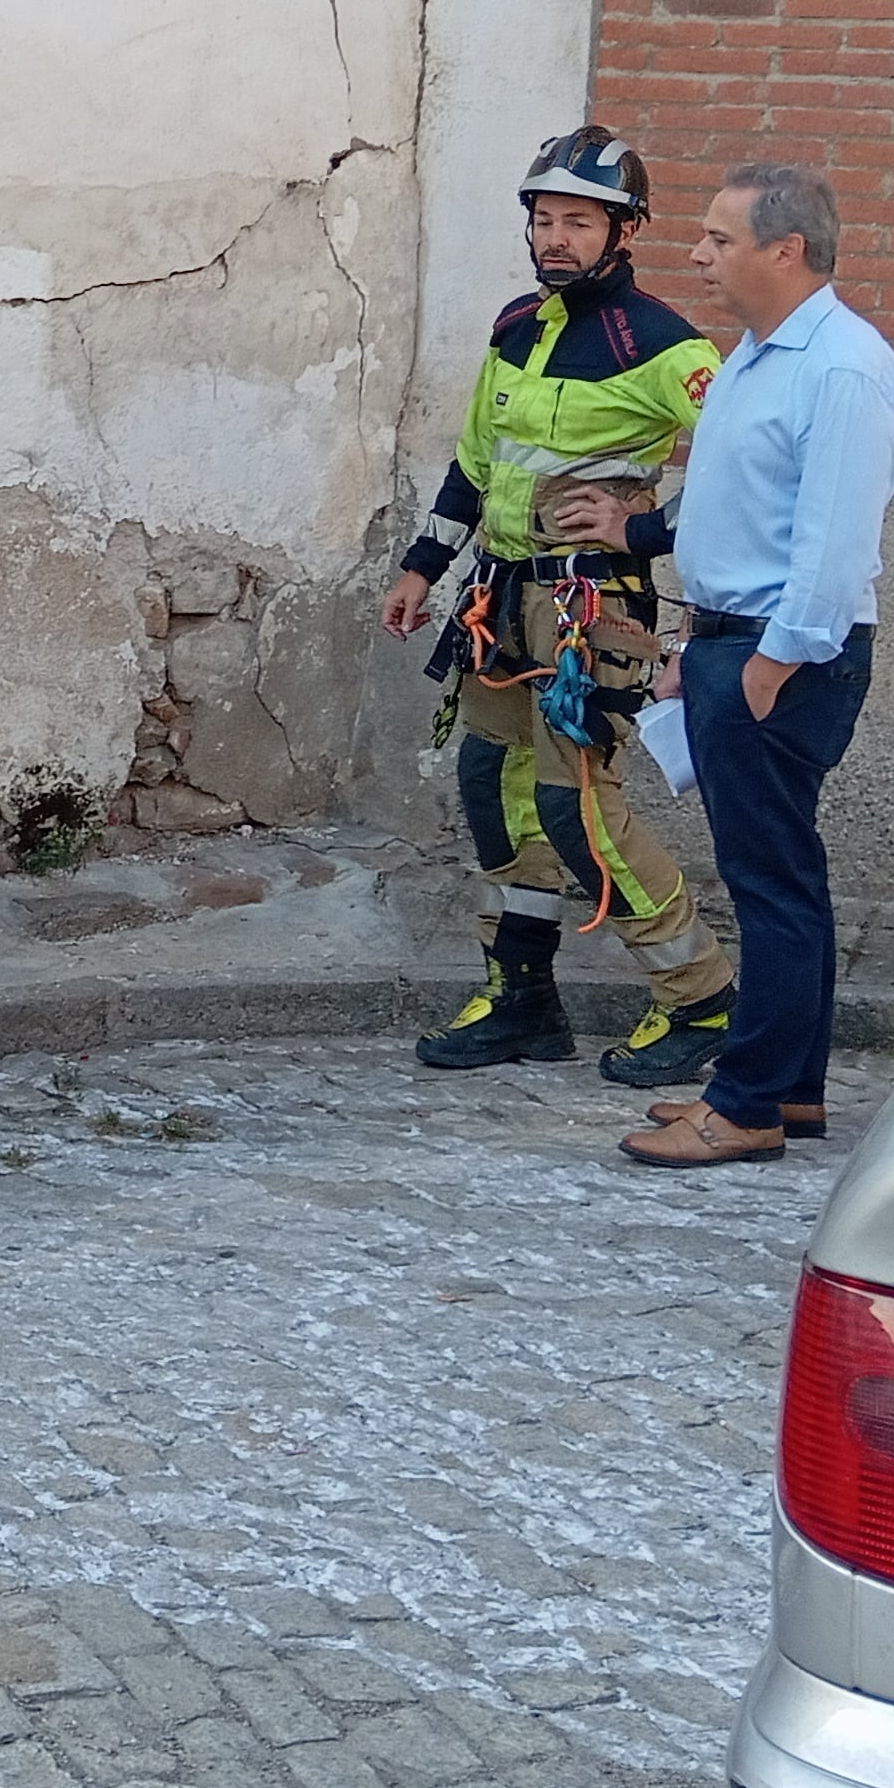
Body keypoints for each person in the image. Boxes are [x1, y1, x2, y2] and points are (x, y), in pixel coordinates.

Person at [381, 127, 734, 1079]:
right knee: (495, 793)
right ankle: (523, 1000)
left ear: (624, 230)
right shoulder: (515, 326)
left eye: (578, 221)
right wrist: (423, 561)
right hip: (497, 598)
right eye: (544, 219)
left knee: (576, 806)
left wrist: (645, 533)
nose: (555, 239)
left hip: (592, 613)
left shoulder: (666, 345)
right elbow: (476, 462)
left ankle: (701, 1001)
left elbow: (752, 469)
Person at [624, 161, 894, 1170]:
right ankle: (788, 1090)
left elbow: (833, 549)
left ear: (785, 250)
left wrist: (769, 664)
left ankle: (745, 1104)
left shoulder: (840, 368)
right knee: (781, 876)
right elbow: (729, 512)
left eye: (718, 238)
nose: (698, 255)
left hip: (778, 657)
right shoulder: (756, 356)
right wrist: (691, 650)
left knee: (770, 882)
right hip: (729, 642)